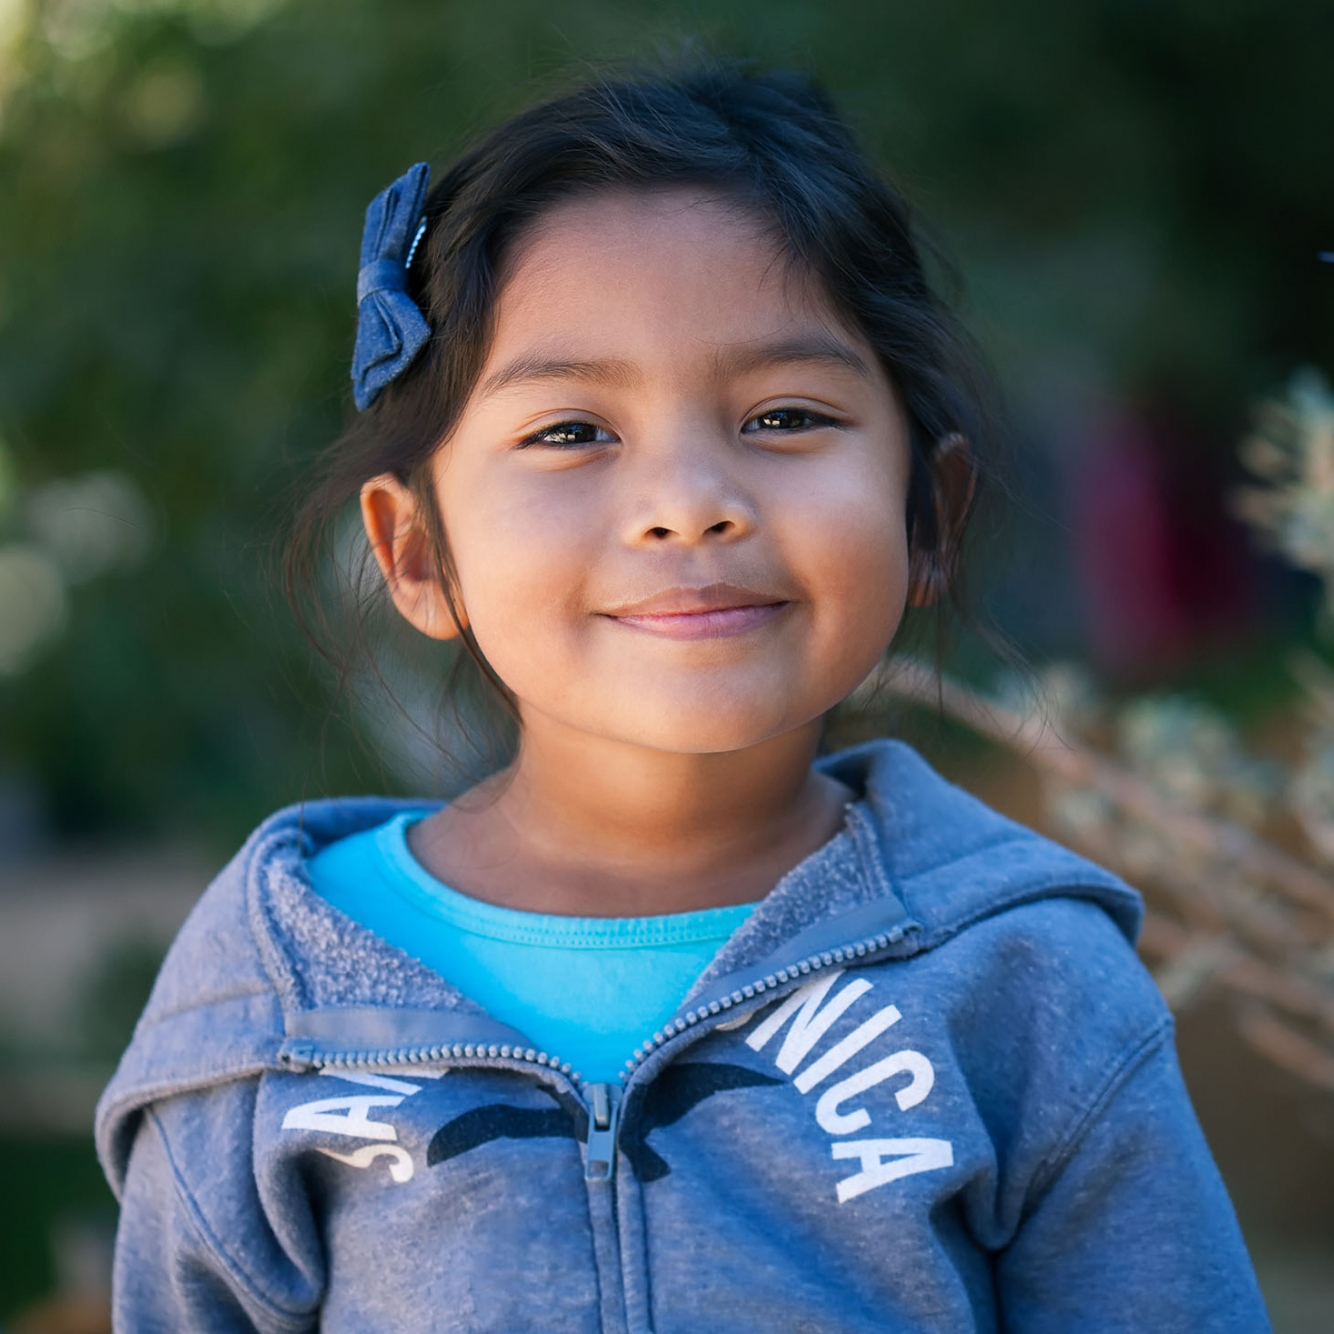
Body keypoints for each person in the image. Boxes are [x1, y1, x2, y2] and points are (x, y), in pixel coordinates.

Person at [95, 59, 1272, 1332]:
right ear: (417, 555)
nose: (685, 499)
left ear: (928, 514)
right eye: (570, 431)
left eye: (781, 413)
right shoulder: (274, 1009)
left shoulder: (1024, 979)